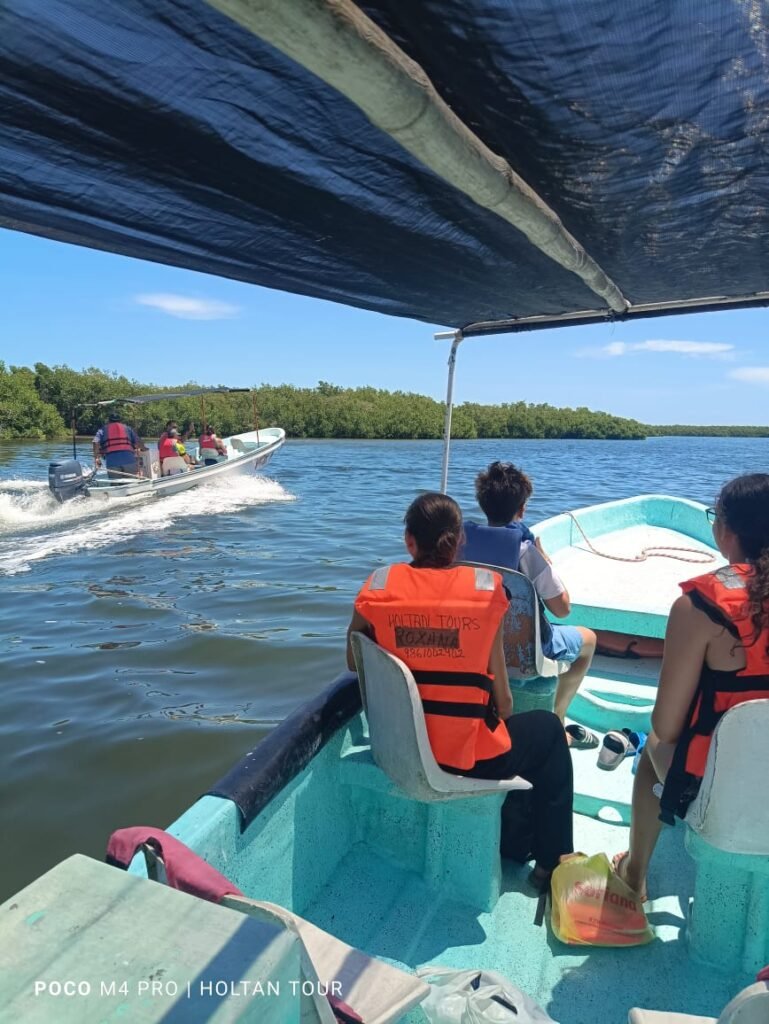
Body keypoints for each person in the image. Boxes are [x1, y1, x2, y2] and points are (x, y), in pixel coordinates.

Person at [347, 492, 574, 887]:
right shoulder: (488, 593)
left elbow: (355, 660)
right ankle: (547, 862)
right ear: (458, 543)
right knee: (549, 733)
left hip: (395, 748)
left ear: (409, 542)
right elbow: (503, 703)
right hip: (464, 760)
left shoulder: (377, 585)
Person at [614, 473, 769, 902]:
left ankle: (634, 876)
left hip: (722, 793)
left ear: (724, 529)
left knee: (651, 751)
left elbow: (665, 726)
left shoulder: (698, 608)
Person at [459, 461, 597, 746]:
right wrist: (544, 560)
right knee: (589, 641)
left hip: (475, 647)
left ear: (483, 504)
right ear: (521, 510)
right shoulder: (526, 551)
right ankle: (558, 719)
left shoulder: (459, 547)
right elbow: (562, 608)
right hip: (526, 655)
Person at [92, 412, 144, 480]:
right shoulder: (127, 428)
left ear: (109, 420)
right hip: (129, 461)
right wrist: (145, 449)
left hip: (112, 463)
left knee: (116, 484)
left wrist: (97, 458)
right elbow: (138, 441)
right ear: (120, 420)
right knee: (132, 483)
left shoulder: (103, 430)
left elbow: (95, 442)